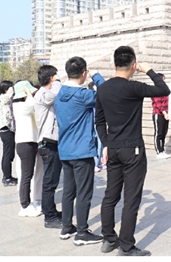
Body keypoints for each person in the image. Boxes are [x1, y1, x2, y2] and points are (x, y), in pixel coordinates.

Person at [95, 45, 171, 256]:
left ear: (114, 64)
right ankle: (126, 246)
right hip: (132, 149)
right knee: (131, 199)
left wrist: (106, 143)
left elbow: (99, 121)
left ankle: (109, 239)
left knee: (110, 195)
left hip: (113, 148)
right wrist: (149, 70)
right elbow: (163, 89)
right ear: (133, 65)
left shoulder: (103, 89)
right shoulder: (134, 87)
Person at [54, 56, 105, 245]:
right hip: (82, 150)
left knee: (69, 191)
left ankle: (67, 227)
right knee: (84, 192)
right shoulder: (83, 95)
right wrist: (97, 76)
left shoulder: (60, 93)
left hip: (65, 149)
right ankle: (82, 233)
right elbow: (107, 93)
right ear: (84, 73)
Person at [34, 65, 63, 229]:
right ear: (51, 77)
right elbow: (55, 94)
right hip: (48, 142)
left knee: (52, 180)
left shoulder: (44, 93)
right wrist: (57, 82)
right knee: (50, 182)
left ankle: (51, 211)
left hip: (52, 142)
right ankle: (49, 218)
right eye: (55, 76)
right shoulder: (43, 94)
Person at [12, 80, 42, 217]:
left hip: (30, 143)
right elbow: (31, 103)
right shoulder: (19, 105)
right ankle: (24, 205)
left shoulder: (22, 105)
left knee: (28, 175)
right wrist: (28, 92)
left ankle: (27, 203)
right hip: (25, 144)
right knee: (26, 176)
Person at [0, 80, 18, 186]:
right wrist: (13, 89)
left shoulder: (5, 99)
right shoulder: (4, 98)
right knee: (7, 155)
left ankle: (8, 176)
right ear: (6, 89)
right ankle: (7, 178)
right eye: (11, 87)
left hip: (7, 130)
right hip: (6, 130)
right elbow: (8, 96)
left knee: (9, 154)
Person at [152, 74, 170, 159]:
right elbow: (158, 103)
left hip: (166, 114)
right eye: (163, 80)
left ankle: (162, 150)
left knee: (163, 133)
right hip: (158, 114)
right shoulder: (155, 90)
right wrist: (164, 113)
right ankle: (159, 152)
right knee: (158, 133)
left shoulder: (164, 90)